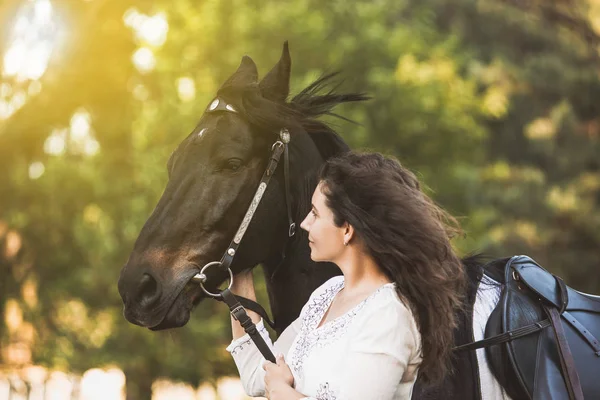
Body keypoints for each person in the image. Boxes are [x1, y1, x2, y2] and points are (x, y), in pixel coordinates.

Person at [226, 151, 467, 400]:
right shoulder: (328, 294)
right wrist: (240, 273)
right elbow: (258, 376)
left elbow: (273, 385)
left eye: (315, 214)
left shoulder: (388, 314)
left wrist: (280, 392)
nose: (305, 223)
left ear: (347, 230)